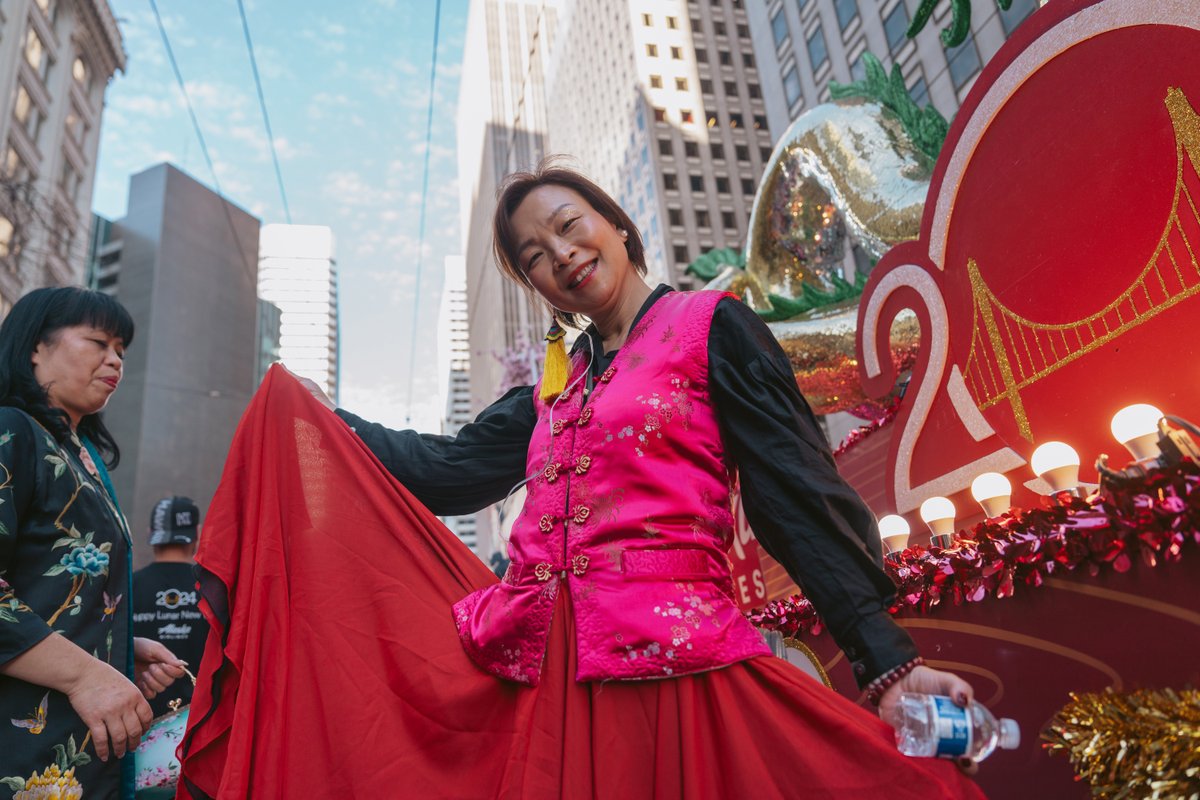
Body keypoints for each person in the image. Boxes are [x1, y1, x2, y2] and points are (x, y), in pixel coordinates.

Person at [181, 162, 984, 798]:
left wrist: (887, 662)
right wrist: (324, 417)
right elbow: (450, 472)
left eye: (569, 227)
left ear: (619, 228)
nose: (560, 254)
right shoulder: (553, 383)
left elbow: (795, 494)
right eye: (535, 255)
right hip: (539, 683)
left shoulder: (712, 327)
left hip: (675, 663)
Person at [0, 287, 186, 799]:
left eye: (122, 350)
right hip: (19, 744)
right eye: (99, 341)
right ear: (36, 346)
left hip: (76, 746)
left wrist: (120, 648)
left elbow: (45, 588)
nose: (115, 361)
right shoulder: (12, 429)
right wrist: (86, 675)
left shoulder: (79, 456)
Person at [133, 496, 208, 717]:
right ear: (197, 533)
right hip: (202, 720)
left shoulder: (127, 587)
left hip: (140, 721)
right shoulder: (214, 590)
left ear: (150, 534)